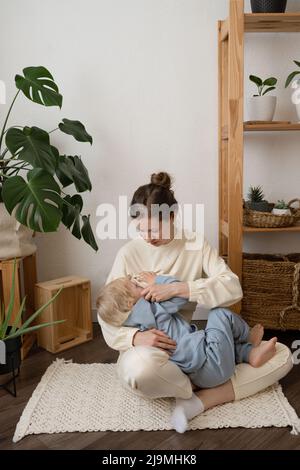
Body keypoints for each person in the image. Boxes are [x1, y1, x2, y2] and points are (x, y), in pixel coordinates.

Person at [97, 171, 293, 430]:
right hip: (156, 354)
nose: (147, 236)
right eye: (141, 229)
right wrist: (134, 338)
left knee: (285, 356)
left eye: (154, 228)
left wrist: (182, 288)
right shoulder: (129, 253)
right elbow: (106, 313)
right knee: (138, 370)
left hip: (188, 343)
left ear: (173, 217)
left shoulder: (194, 244)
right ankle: (215, 379)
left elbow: (232, 287)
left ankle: (199, 396)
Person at [97, 272, 278, 432]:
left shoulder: (135, 325)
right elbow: (180, 297)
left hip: (199, 377)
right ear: (131, 302)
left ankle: (248, 354)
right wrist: (158, 281)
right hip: (211, 361)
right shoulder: (151, 307)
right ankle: (246, 338)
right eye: (136, 286)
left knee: (210, 337)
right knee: (219, 313)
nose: (142, 285)